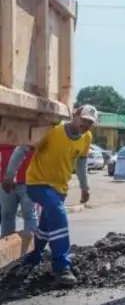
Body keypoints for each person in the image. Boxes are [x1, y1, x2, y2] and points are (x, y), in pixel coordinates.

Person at [1, 104, 97, 286]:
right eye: (84, 120)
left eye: (90, 123)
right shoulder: (52, 130)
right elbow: (22, 148)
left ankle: (30, 260)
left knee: (46, 228)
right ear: (74, 115)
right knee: (58, 214)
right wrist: (9, 175)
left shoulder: (86, 137)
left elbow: (81, 164)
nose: (86, 125)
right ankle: (62, 267)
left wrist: (85, 187)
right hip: (37, 183)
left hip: (60, 189)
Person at [0, 142, 38, 238]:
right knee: (7, 214)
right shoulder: (4, 135)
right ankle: (7, 246)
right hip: (5, 181)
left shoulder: (29, 133)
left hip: (28, 180)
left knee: (29, 214)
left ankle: (32, 249)